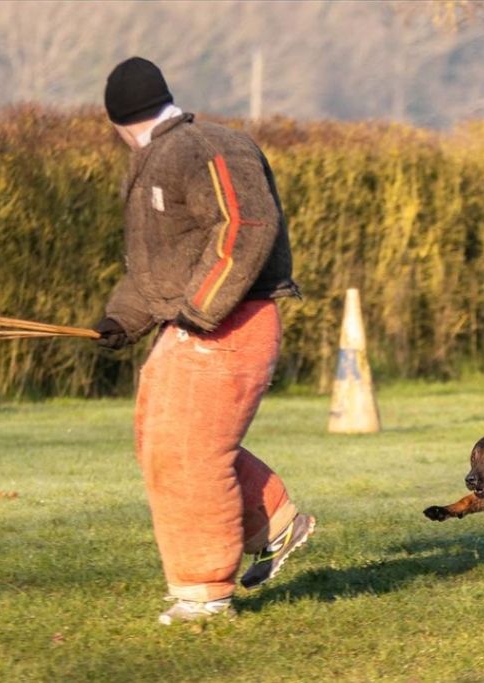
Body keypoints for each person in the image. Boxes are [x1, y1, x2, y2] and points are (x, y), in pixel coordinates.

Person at [94, 56, 314, 625]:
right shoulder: (157, 157)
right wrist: (121, 319)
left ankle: (204, 594)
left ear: (117, 121)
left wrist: (202, 308)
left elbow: (247, 226)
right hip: (195, 323)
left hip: (231, 320)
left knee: (188, 455)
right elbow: (161, 265)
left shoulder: (208, 147)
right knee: (159, 443)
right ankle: (274, 521)